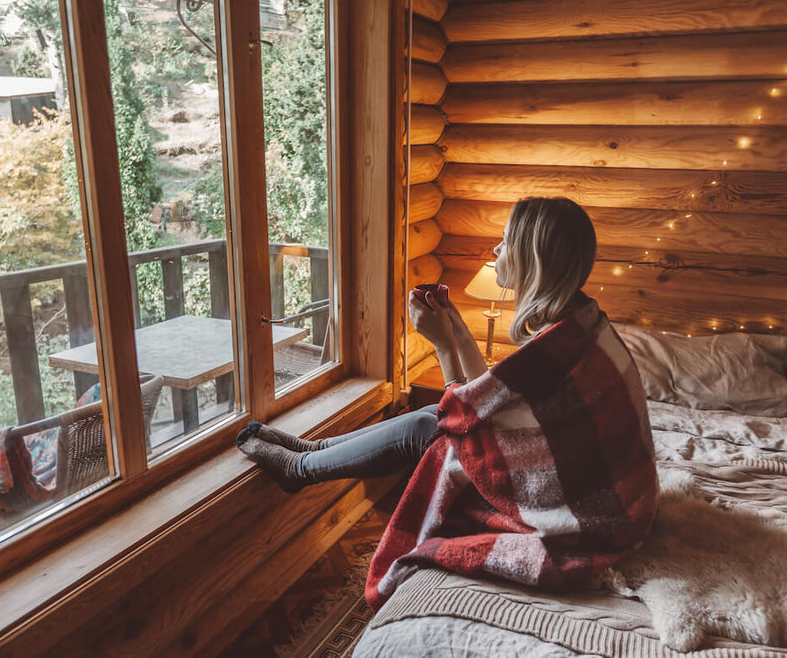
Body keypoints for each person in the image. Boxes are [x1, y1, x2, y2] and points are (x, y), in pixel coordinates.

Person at [237, 197, 659, 610]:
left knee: (429, 428)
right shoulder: (576, 321)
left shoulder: (558, 346)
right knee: (427, 419)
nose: (496, 251)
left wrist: (441, 344)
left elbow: (463, 416)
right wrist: (456, 330)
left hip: (594, 520)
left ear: (532, 259)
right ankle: (313, 453)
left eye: (506, 241)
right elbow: (488, 396)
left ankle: (300, 469)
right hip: (613, 502)